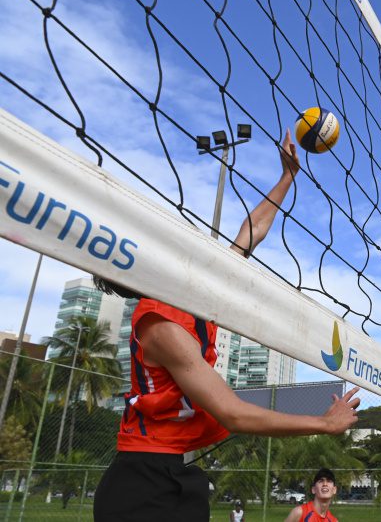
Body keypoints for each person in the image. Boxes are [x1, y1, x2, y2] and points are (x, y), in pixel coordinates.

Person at [93, 131, 361, 521]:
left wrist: (287, 178)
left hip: (176, 470)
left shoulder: (195, 294)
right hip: (142, 478)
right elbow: (232, 413)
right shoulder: (160, 324)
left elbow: (247, 237)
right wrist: (324, 423)